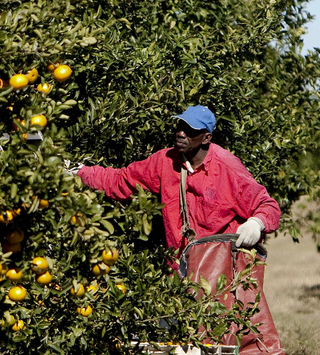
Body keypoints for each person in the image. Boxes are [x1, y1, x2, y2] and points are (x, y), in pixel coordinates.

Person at [73, 105, 281, 252]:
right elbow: (121, 181)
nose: (181, 133)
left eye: (190, 131)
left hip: (221, 271)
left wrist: (256, 223)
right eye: (180, 127)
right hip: (182, 272)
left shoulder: (227, 167)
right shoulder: (165, 161)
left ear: (206, 138)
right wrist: (77, 171)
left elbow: (268, 205)